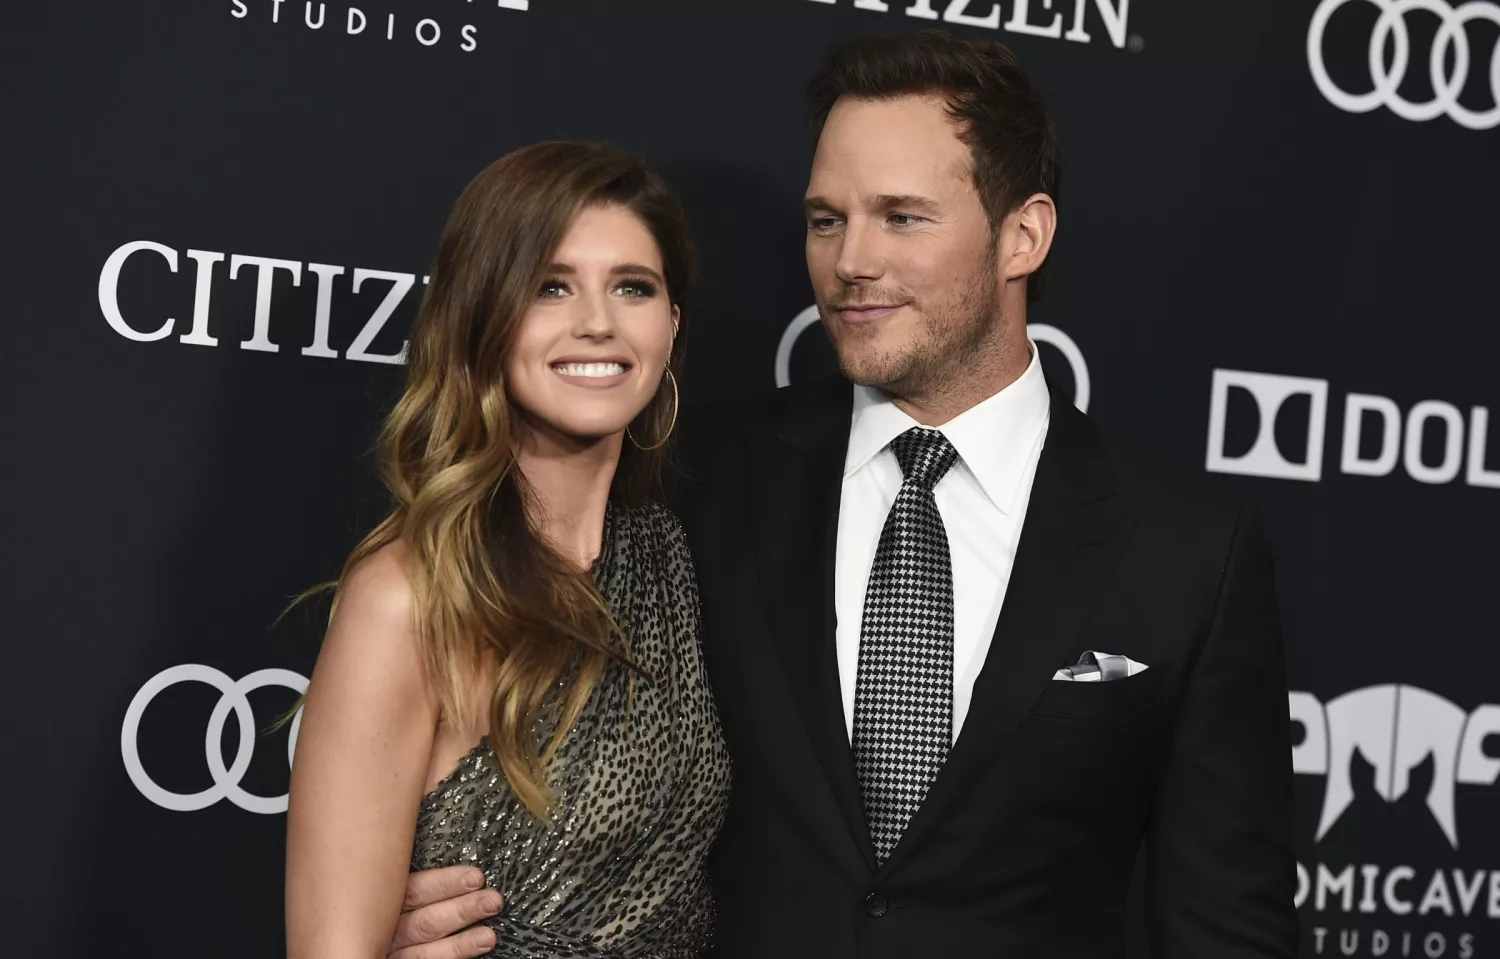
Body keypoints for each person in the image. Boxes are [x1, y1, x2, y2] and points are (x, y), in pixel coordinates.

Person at [391, 29, 1299, 959]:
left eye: (901, 217)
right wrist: (423, 916)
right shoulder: (688, 481)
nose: (851, 260)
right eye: (827, 220)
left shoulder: (1189, 548)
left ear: (1023, 235)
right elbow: (525, 754)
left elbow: (1230, 925)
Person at [284, 141, 730, 959]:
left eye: (632, 286)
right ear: (484, 315)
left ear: (671, 324)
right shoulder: (411, 598)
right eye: (550, 286)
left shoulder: (679, 559)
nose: (597, 321)